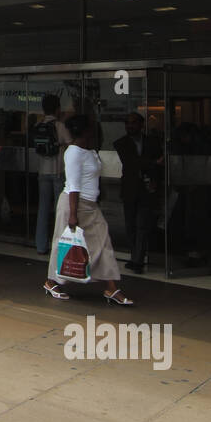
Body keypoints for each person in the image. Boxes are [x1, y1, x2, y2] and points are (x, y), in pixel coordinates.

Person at [42, 114, 134, 305]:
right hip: (73, 204)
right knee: (64, 245)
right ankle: (51, 282)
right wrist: (73, 215)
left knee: (103, 242)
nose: (96, 131)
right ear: (85, 131)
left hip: (90, 205)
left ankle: (111, 287)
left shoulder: (90, 151)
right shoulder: (73, 152)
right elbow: (74, 185)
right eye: (92, 128)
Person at [114, 112, 164, 273]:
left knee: (142, 225)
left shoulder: (153, 142)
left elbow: (159, 165)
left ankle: (138, 259)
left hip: (146, 189)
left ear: (141, 125)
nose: (130, 126)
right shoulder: (121, 143)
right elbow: (131, 162)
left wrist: (154, 177)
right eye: (128, 123)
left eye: (134, 123)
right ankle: (135, 256)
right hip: (130, 189)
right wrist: (153, 162)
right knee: (130, 225)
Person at [33, 94, 72, 256]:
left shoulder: (37, 125)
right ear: (57, 108)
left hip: (42, 173)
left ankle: (41, 246)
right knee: (59, 211)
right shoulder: (60, 126)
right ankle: (58, 247)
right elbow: (71, 145)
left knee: (42, 210)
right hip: (57, 173)